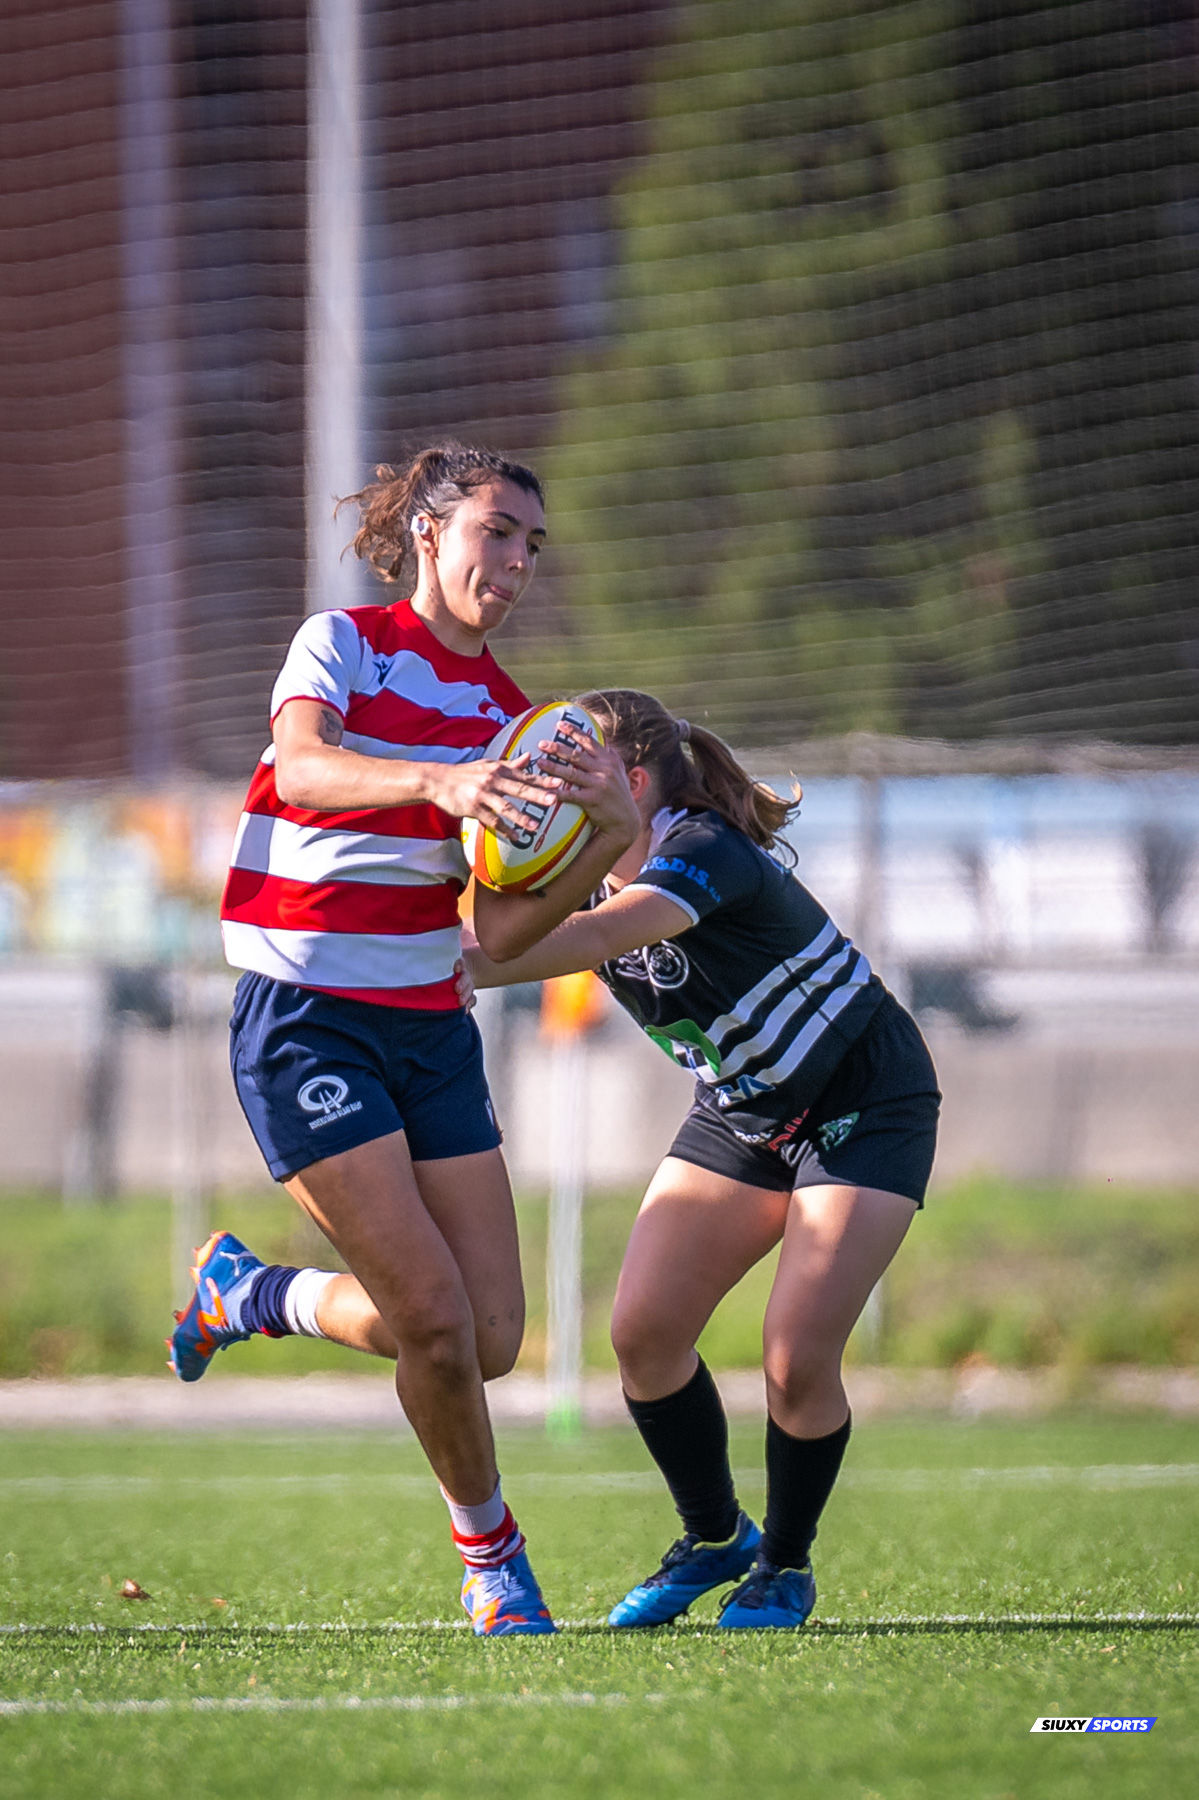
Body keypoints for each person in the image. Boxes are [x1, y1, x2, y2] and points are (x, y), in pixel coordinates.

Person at [168, 444, 639, 1637]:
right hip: (305, 1019)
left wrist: (603, 834)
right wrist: (441, 784)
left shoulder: (515, 721)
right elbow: (308, 769)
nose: (516, 560)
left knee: (482, 1337)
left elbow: (495, 931)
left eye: (533, 543)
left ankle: (250, 1294)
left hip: (429, 1026)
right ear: (429, 532)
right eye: (496, 531)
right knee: (426, 1313)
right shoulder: (345, 643)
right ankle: (493, 1560)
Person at [465, 689, 940, 1630]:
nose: (544, 789)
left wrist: (461, 965)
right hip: (742, 1111)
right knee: (642, 1333)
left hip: (861, 1096)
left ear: (633, 783)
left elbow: (593, 938)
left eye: (570, 770)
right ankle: (716, 1536)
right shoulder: (583, 864)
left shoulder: (700, 848)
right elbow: (511, 913)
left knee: (793, 1358)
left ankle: (785, 1567)